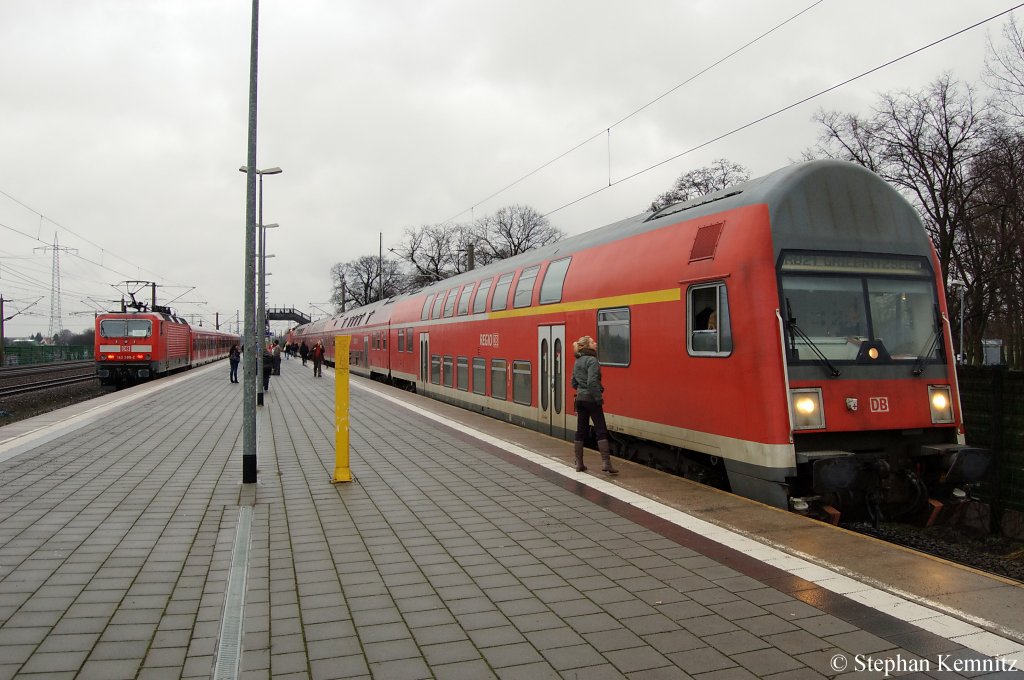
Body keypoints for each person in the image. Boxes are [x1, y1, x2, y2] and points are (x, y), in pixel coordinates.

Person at [571, 335, 617, 474]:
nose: (595, 343)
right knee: (601, 429)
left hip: (580, 399)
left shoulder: (577, 361)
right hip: (591, 399)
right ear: (587, 346)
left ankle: (579, 464)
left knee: (581, 430)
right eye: (592, 342)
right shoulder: (592, 360)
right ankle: (606, 463)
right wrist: (598, 398)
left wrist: (582, 389)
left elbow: (573, 382)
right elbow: (592, 382)